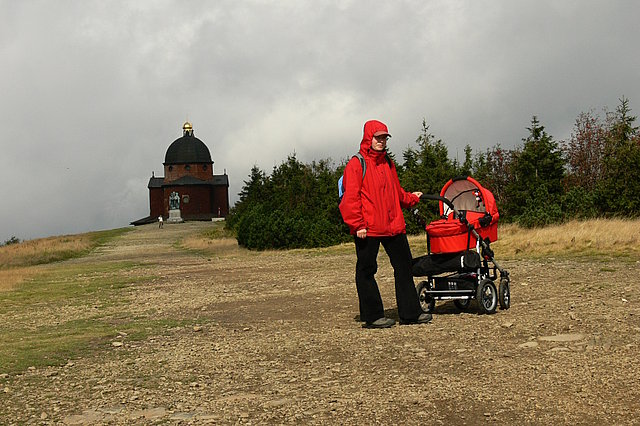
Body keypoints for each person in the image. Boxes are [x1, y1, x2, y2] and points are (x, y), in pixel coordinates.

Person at [339, 119, 432, 328]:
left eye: (384, 137)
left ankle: (410, 314)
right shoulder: (356, 164)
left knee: (404, 267)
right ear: (368, 138)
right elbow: (350, 198)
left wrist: (411, 198)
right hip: (368, 228)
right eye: (378, 137)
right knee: (366, 270)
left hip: (393, 226)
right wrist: (357, 225)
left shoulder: (388, 163)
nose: (382, 141)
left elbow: (396, 193)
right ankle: (372, 317)